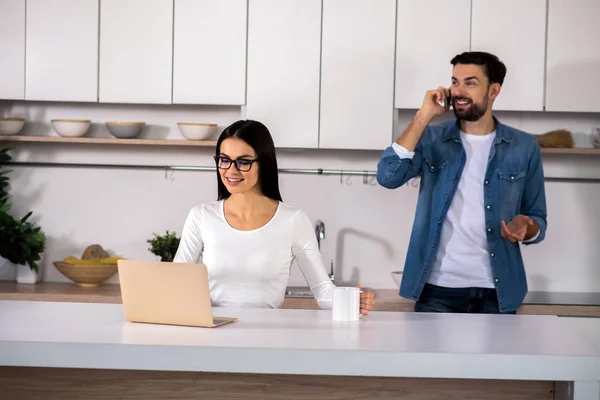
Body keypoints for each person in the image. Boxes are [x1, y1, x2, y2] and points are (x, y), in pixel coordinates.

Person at [376, 51, 547, 314]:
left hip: (498, 292)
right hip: (436, 290)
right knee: (430, 358)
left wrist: (528, 226)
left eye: (470, 82)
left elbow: (538, 220)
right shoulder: (432, 139)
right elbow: (388, 176)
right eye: (455, 82)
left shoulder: (524, 147)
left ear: (494, 91)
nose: (458, 91)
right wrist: (424, 115)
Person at [174, 119, 375, 314]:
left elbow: (323, 292)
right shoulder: (201, 216)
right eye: (224, 160)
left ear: (264, 163)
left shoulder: (293, 220)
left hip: (267, 338)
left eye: (243, 162)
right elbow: (176, 281)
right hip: (212, 337)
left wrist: (351, 299)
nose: (230, 170)